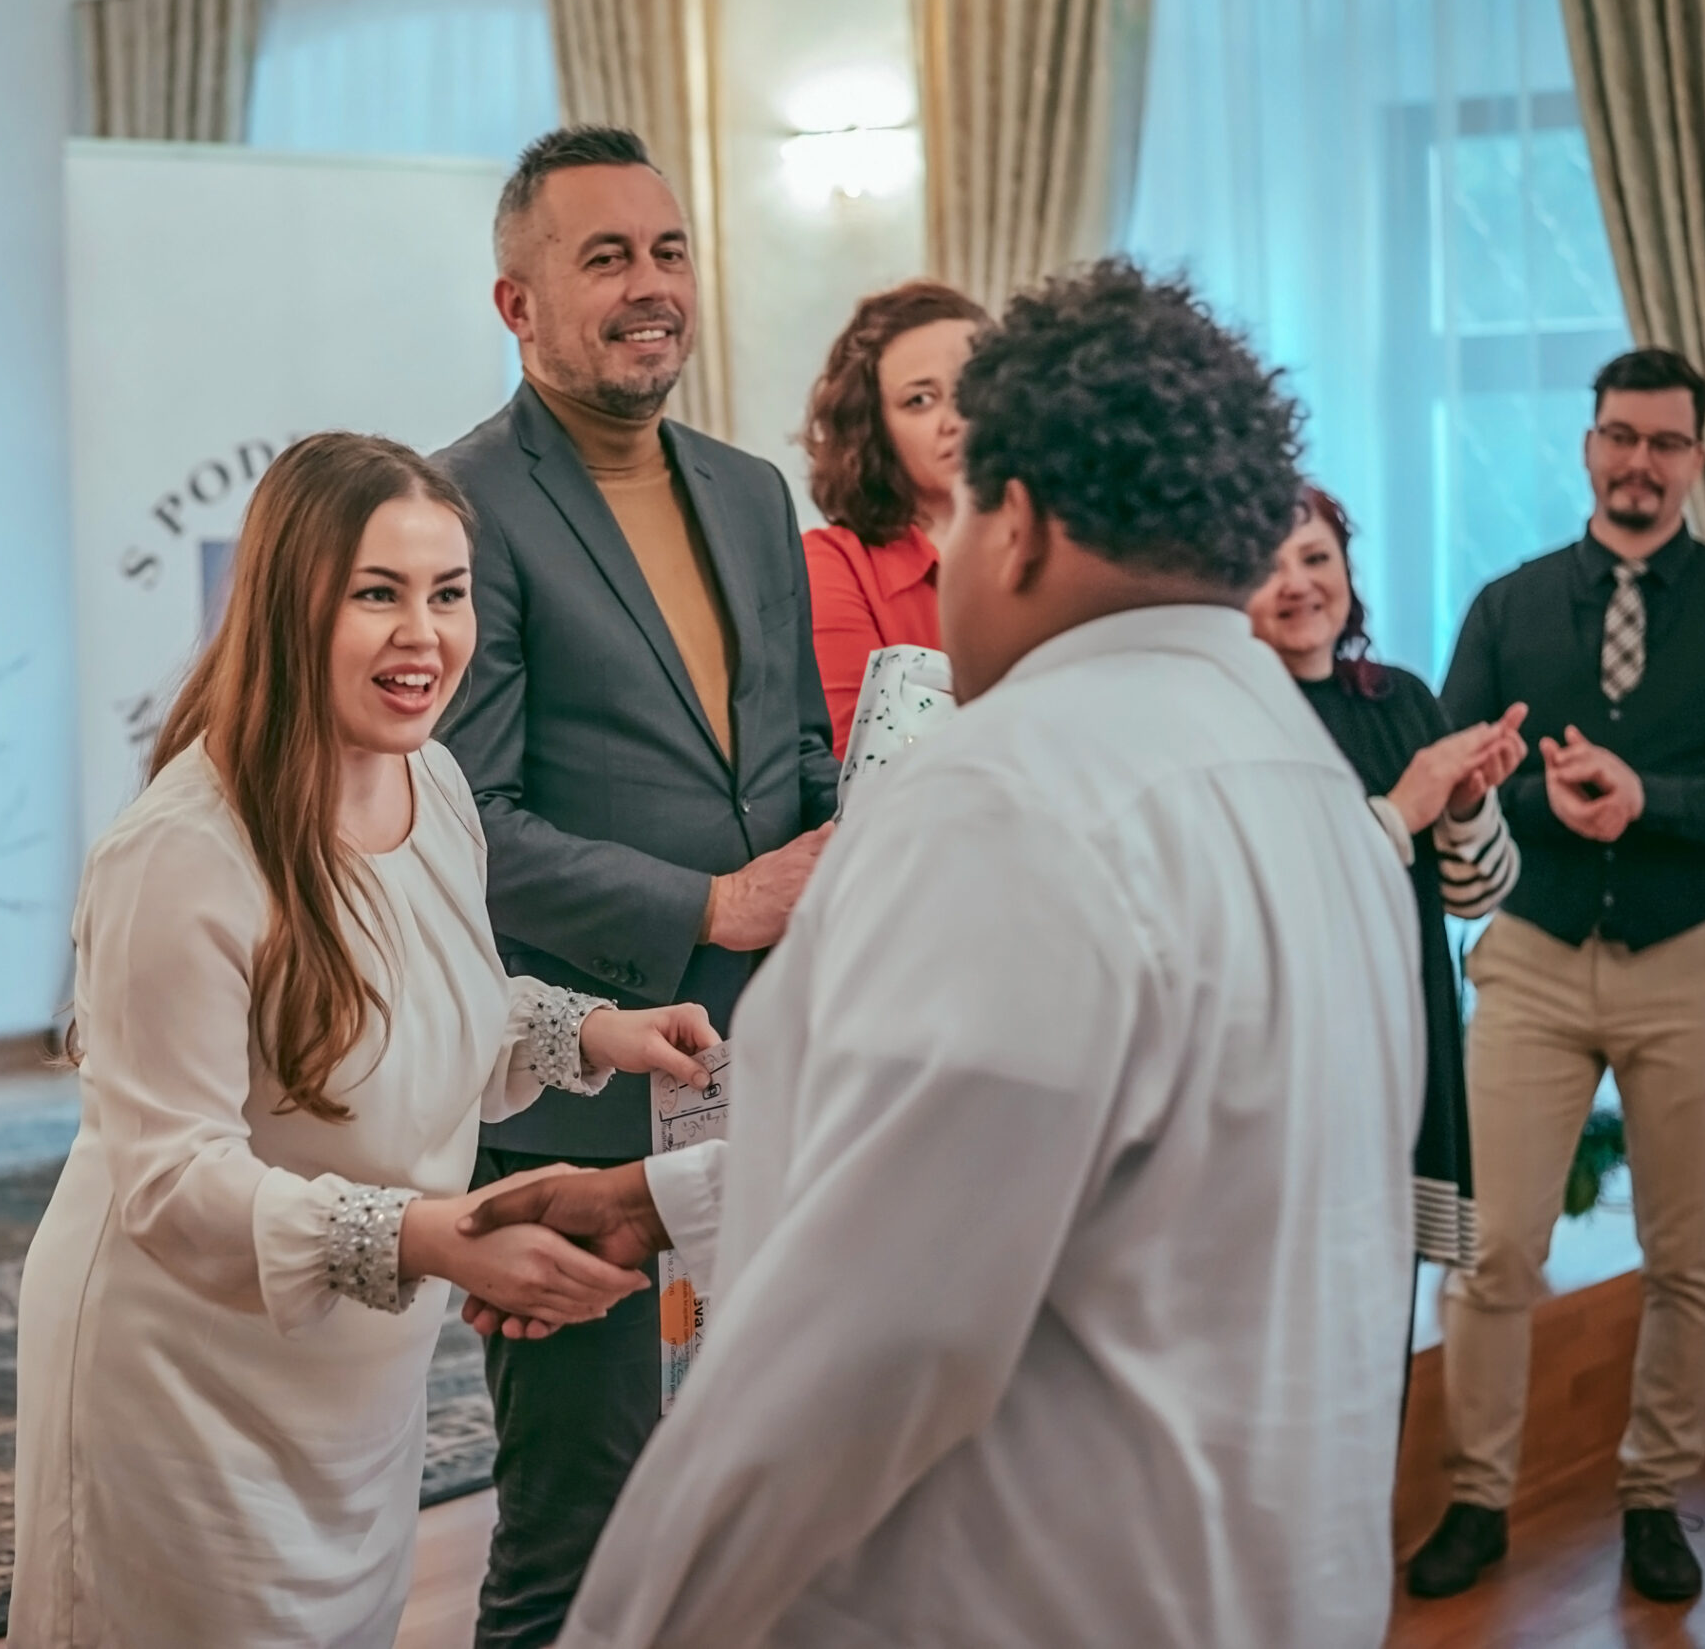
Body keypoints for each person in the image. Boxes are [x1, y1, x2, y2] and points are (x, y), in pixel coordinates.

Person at [461, 258, 1426, 1647]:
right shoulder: (1317, 790)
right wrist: (656, 1197)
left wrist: (636, 1624)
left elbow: (865, 1339)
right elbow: (1045, 1146)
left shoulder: (1009, 792)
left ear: (1013, 524)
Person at [8, 432, 717, 1648]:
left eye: (448, 594)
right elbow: (171, 1178)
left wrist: (595, 1028)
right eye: (377, 594)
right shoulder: (177, 853)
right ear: (289, 604)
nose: (424, 635)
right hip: (180, 1380)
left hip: (351, 1381)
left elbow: (422, 1005)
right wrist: (427, 1234)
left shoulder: (432, 782)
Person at [433, 125, 842, 1648]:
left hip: (770, 1073)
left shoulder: (749, 492)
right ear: (517, 302)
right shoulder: (457, 506)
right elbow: (467, 821)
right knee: (575, 1530)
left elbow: (794, 758)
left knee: (766, 1506)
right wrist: (708, 904)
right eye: (605, 257)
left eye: (668, 251)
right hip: (575, 1084)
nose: (650, 285)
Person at [1412, 347, 1705, 1605]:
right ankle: (1476, 1496)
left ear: (1696, 458)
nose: (1639, 462)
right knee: (1494, 1248)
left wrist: (1651, 797)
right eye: (1620, 436)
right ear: (1588, 444)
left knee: (1687, 1253)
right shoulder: (1508, 605)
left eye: (1664, 442)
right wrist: (1546, 798)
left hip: (1687, 966)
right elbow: (1453, 776)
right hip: (1531, 962)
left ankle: (1654, 1494)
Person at [1246, 484, 1524, 1287]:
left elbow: (1474, 894)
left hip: (1404, 1051)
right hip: (1295, 1069)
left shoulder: (1400, 699)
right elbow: (1276, 895)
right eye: (1270, 566)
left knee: (1384, 1315)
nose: (1299, 583)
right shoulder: (1233, 718)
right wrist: (1402, 810)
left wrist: (1465, 801)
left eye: (1316, 557)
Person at [797, 279, 987, 755]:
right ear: (875, 428)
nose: (955, 420)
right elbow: (858, 763)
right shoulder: (833, 563)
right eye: (920, 400)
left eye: (973, 388)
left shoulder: (1060, 537)